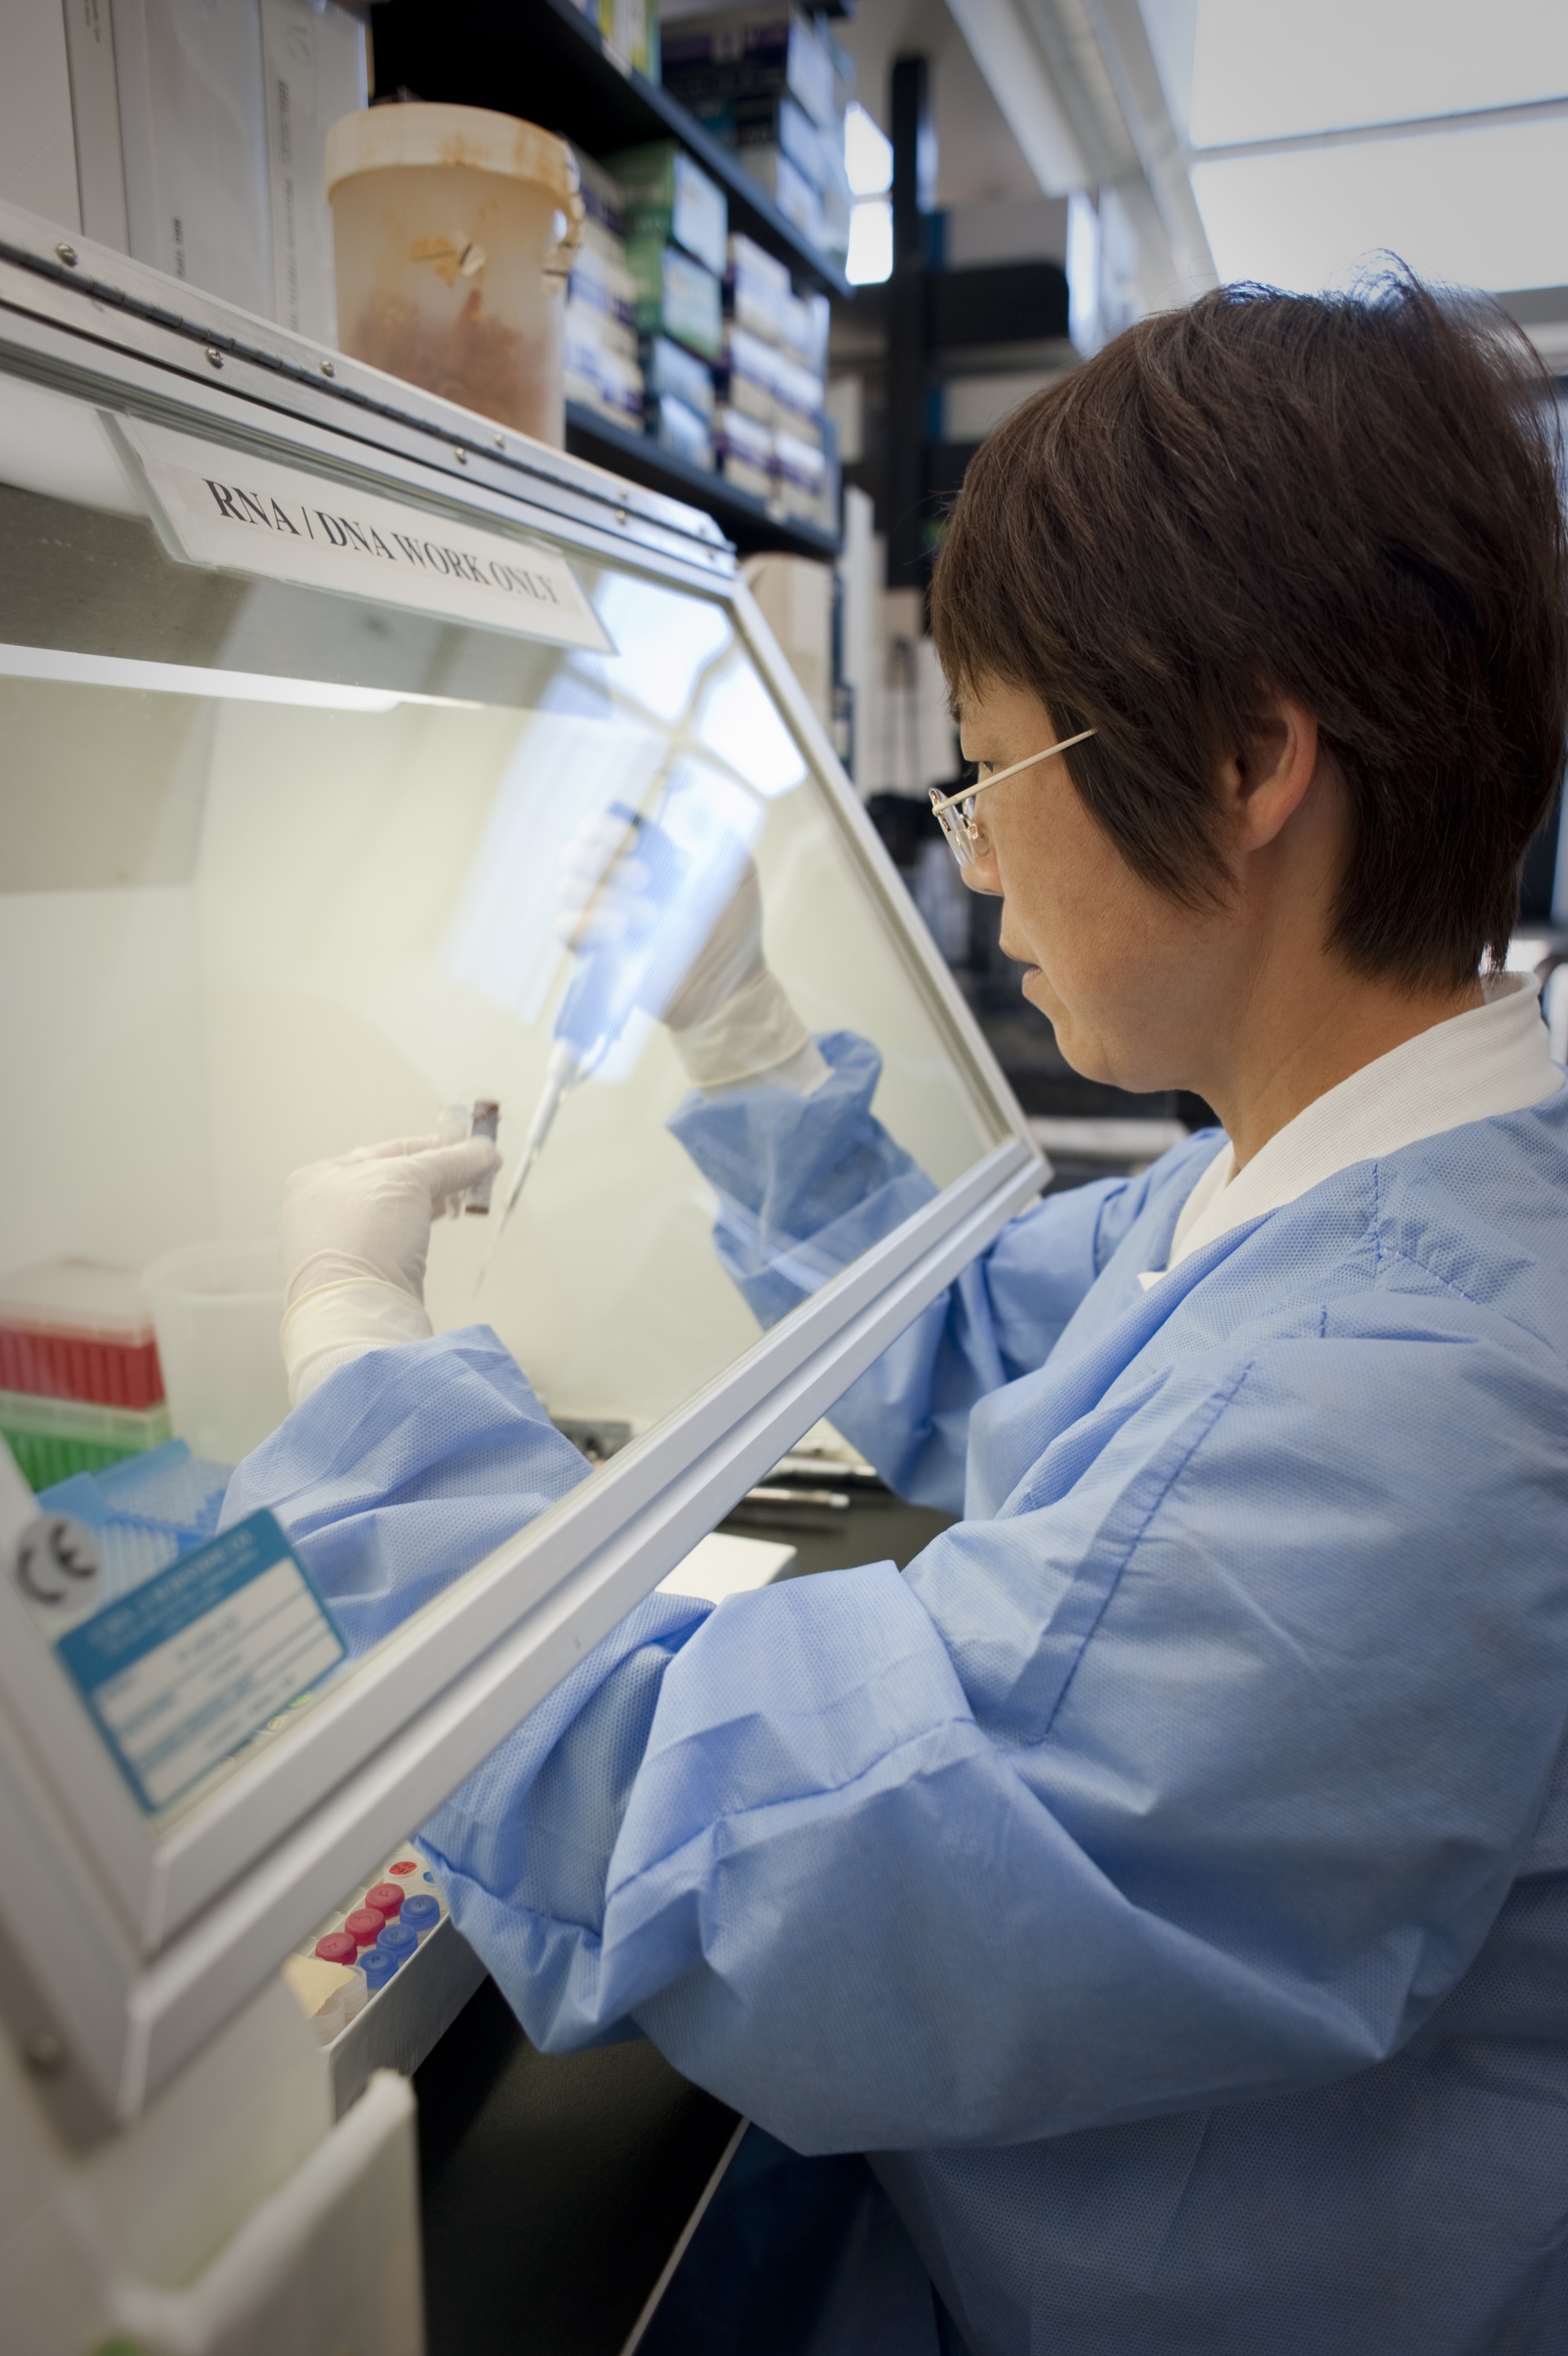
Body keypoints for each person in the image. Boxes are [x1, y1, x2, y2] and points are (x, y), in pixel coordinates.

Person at [226, 274, 1568, 2354]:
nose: (974, 868)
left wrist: (359, 1379)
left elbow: (772, 1870)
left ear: (1247, 760)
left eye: (988, 774)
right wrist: (739, 1017)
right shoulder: (1347, 1174)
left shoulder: (1421, 1404)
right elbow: (983, 1347)